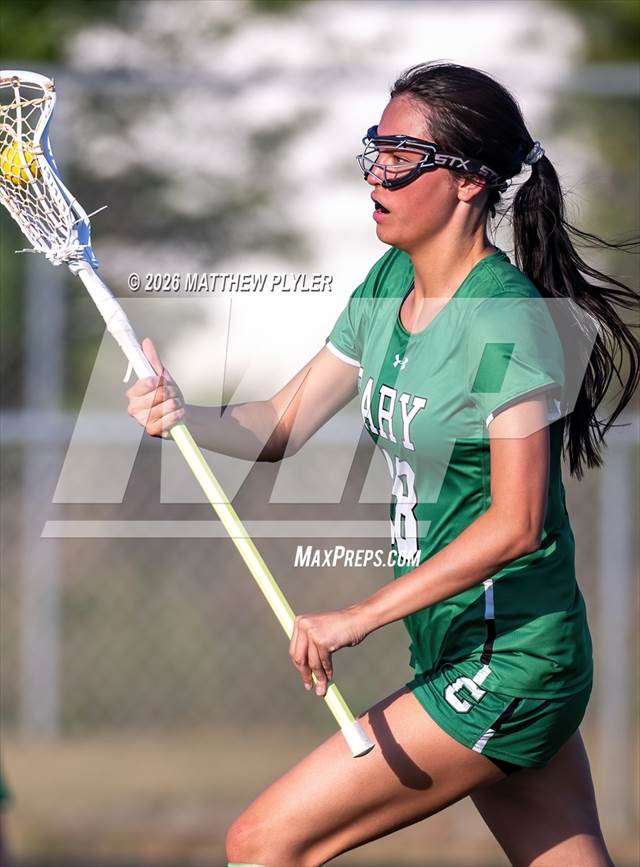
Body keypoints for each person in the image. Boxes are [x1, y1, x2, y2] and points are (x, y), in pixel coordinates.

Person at [126, 62, 638, 866]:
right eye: (377, 149)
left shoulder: (503, 319)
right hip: (458, 647)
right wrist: (184, 413)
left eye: (403, 157)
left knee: (263, 842)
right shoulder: (390, 280)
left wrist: (356, 616)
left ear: (469, 181)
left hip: (510, 659)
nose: (377, 174)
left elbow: (516, 523)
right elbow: (281, 423)